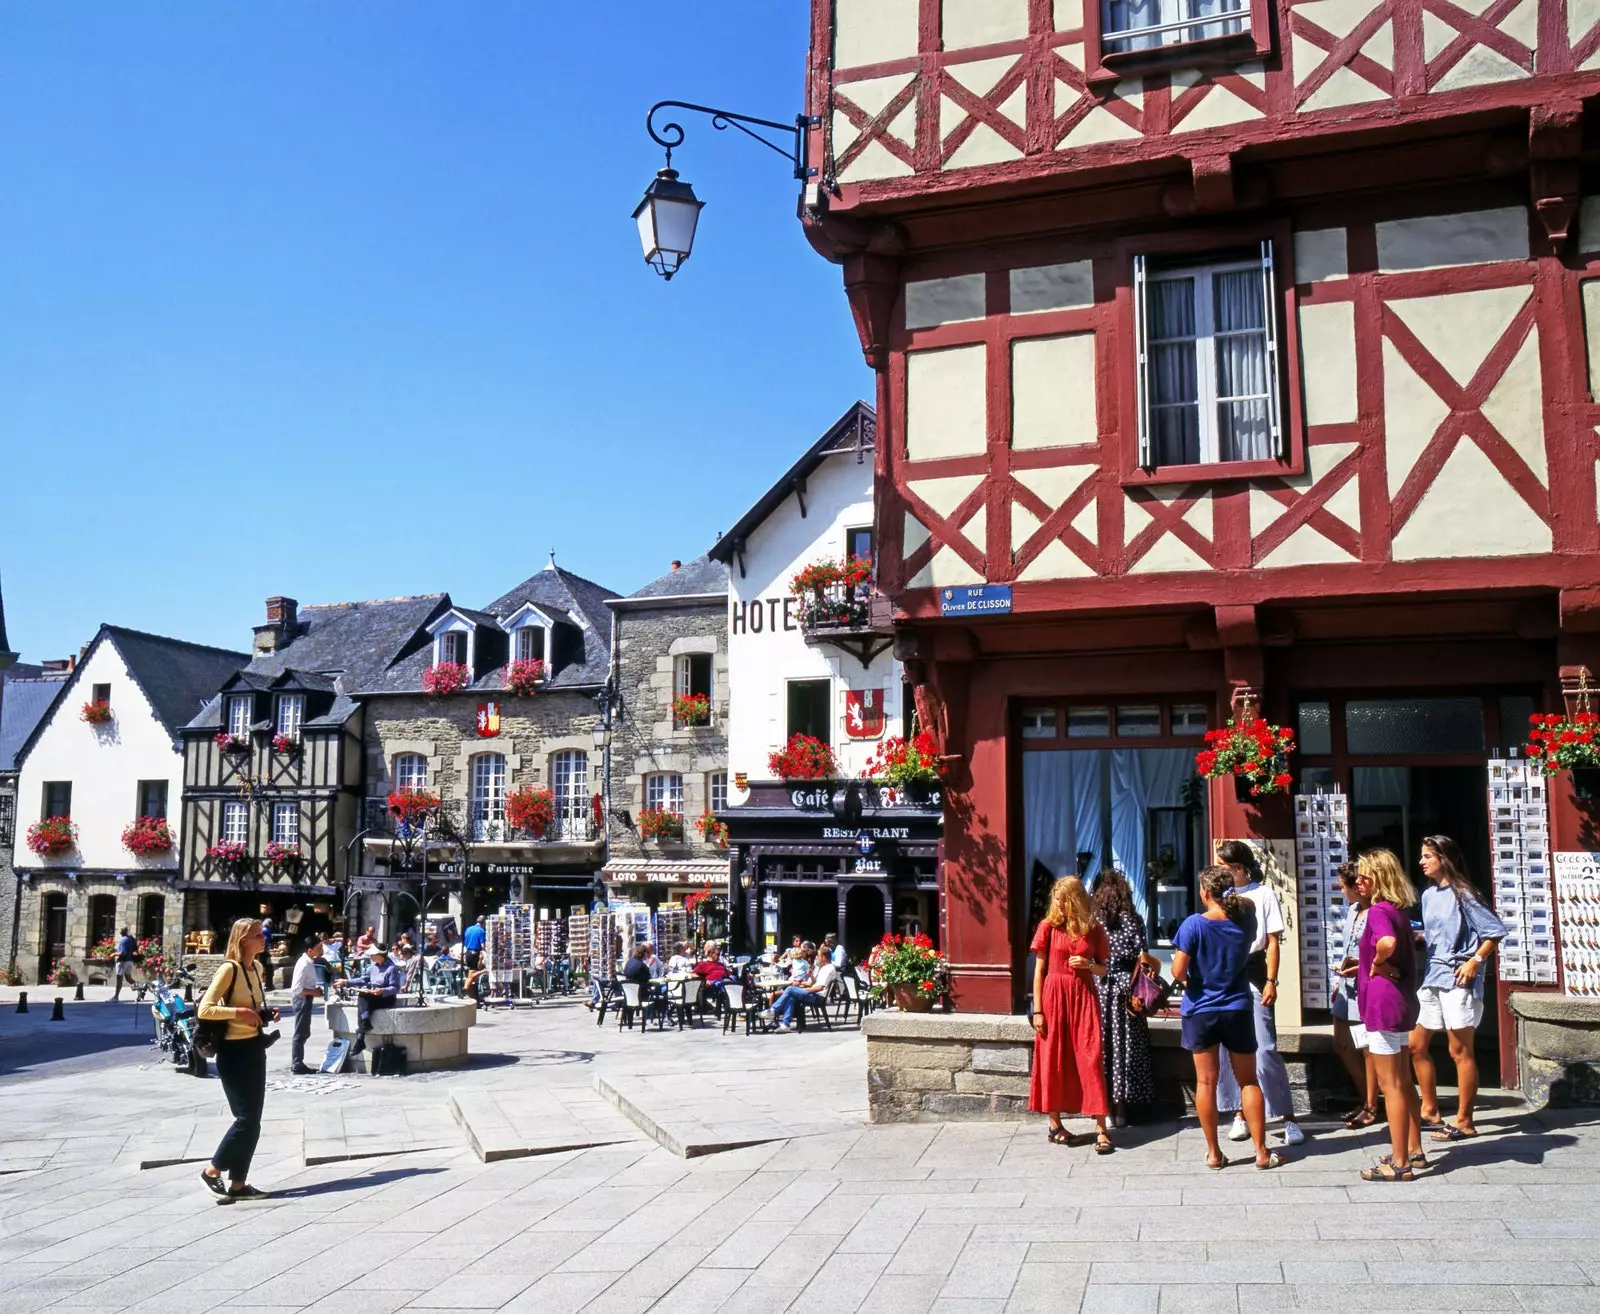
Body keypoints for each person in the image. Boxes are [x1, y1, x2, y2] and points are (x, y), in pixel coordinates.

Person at [1171, 866, 1283, 1171]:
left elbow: (1178, 971)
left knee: (1206, 1082)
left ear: (1205, 893)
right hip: (1236, 1005)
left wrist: (1188, 980)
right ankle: (1261, 1151)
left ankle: (1214, 1153)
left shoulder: (1194, 924)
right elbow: (1245, 905)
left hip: (1201, 1008)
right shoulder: (1245, 918)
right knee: (1248, 1080)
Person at [1408, 834, 1506, 1142]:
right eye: (1422, 856)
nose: (1421, 861)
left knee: (1459, 1050)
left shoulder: (1464, 893)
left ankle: (1465, 1120)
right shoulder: (1427, 895)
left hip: (1458, 977)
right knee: (1416, 1044)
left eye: (1427, 856)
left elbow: (1493, 931)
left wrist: (1475, 960)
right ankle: (1430, 1110)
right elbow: (1438, 931)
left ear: (1443, 858)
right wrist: (1419, 937)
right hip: (1433, 975)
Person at [1214, 840, 1306, 1148]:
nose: (1220, 873)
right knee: (1230, 1048)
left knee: (1265, 1047)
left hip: (1254, 969)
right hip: (1227, 973)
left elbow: (1273, 940)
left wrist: (1271, 980)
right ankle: (1239, 1111)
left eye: (1224, 868)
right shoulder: (1220, 897)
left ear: (1239, 868)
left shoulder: (1263, 894)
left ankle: (1286, 1115)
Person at [1029, 876, 1113, 1154]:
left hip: (1083, 997)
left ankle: (1101, 1127)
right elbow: (1039, 971)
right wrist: (1038, 1010)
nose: (1059, 904)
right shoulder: (1048, 927)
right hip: (1053, 998)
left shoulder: (1093, 929)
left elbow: (1104, 968)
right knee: (1053, 1058)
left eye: (1063, 899)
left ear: (1075, 900)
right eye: (1056, 899)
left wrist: (1089, 964)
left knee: (1091, 1058)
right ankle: (1055, 1125)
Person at [198, 918, 279, 1202]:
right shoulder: (228, 969)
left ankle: (238, 1184)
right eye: (258, 935)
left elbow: (251, 1008)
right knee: (244, 1118)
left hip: (255, 1047)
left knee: (253, 1120)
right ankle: (212, 1170)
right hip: (232, 1052)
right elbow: (205, 1009)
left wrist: (264, 1014)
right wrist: (238, 1014)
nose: (263, 939)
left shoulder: (256, 969)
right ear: (243, 939)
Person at [1356, 849, 1425, 1181]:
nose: (1358, 880)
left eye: (1363, 875)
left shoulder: (1377, 912)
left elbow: (1385, 942)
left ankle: (1400, 1162)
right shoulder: (1399, 910)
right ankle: (1414, 1148)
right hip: (1401, 1001)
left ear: (1377, 878)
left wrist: (1377, 963)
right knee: (1404, 1079)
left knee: (1391, 1085)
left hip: (1382, 1004)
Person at [1090, 870, 1158, 1126]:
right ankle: (1121, 1111)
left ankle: (1103, 1109)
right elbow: (1144, 956)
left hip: (1099, 986)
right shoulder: (1134, 920)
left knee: (1103, 1048)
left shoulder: (1093, 920)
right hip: (1128, 991)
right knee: (1126, 1048)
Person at [1332, 863, 1381, 1130]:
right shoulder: (1352, 911)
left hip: (1365, 984)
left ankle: (1372, 1105)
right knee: (1341, 1043)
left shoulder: (1375, 912)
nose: (1342, 890)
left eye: (1343, 885)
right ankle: (1366, 1098)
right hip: (1346, 984)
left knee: (1367, 1048)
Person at [762, 944, 837, 1031]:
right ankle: (785, 1024)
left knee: (790, 989)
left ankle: (773, 1011)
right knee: (791, 996)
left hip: (818, 997)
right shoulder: (822, 967)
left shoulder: (829, 969)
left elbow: (820, 987)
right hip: (813, 993)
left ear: (824, 957)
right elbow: (813, 983)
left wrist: (805, 990)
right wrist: (811, 976)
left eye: (819, 956)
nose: (817, 958)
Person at [350, 944, 401, 1055]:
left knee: (363, 1003)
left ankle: (361, 1037)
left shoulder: (391, 968)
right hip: (373, 996)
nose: (371, 957)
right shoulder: (372, 967)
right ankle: (362, 1033)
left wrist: (382, 991)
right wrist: (346, 982)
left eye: (373, 955)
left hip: (386, 998)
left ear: (380, 955)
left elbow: (395, 988)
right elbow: (363, 979)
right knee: (363, 997)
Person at [288, 934, 325, 1075]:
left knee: (304, 1031)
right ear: (310, 950)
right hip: (302, 999)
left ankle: (298, 1062)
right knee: (300, 1032)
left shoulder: (309, 961)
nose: (321, 949)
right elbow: (296, 988)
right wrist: (313, 992)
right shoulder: (304, 963)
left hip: (307, 998)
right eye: (318, 947)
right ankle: (297, 1063)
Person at [111, 927, 138, 1001]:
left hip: (122, 961)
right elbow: (135, 949)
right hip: (130, 960)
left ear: (121, 932)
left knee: (119, 979)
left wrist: (113, 954)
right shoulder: (131, 938)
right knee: (128, 978)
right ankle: (140, 987)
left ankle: (116, 997)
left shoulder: (123, 940)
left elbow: (122, 953)